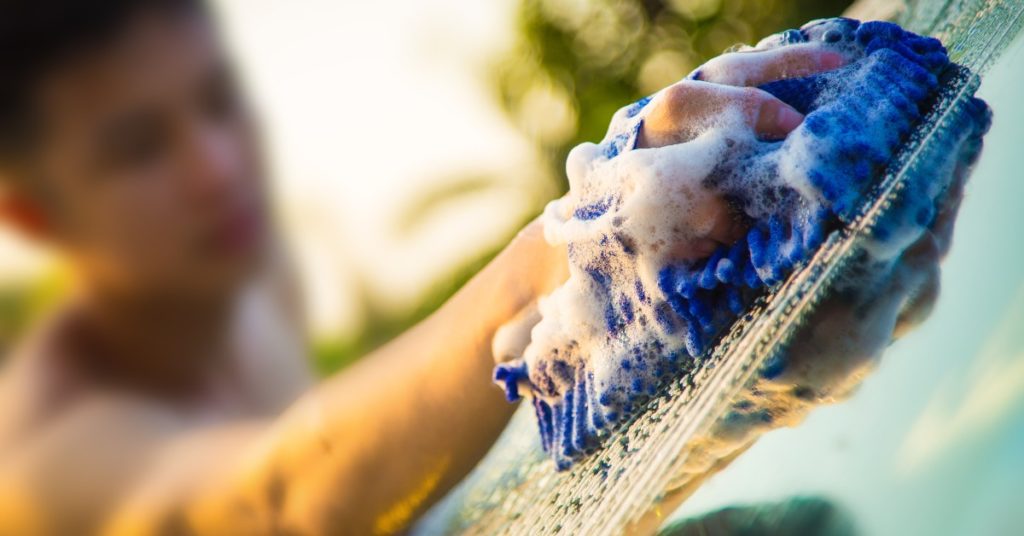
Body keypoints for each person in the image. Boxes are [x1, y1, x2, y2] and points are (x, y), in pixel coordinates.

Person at [0, 1, 949, 534]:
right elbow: (278, 499)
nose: (215, 167)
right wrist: (567, 247)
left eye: (215, 102)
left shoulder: (236, 327)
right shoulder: (45, 452)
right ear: (32, 212)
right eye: (136, 148)